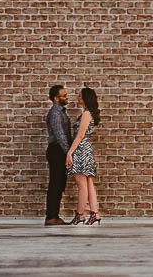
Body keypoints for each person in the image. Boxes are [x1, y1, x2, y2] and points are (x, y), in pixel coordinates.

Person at [66, 86, 102, 225]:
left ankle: (80, 215)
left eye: (80, 96)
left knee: (81, 184)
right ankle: (95, 213)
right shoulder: (88, 113)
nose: (78, 98)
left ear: (86, 98)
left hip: (80, 150)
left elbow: (80, 135)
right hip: (86, 149)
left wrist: (70, 152)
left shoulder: (86, 114)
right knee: (88, 183)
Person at [44, 84, 74, 226]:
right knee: (56, 184)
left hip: (60, 150)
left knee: (59, 183)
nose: (67, 97)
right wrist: (69, 152)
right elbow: (60, 136)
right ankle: (51, 217)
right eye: (64, 95)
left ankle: (54, 216)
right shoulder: (56, 113)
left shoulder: (60, 112)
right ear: (56, 98)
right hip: (57, 150)